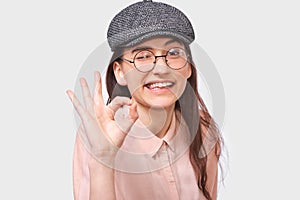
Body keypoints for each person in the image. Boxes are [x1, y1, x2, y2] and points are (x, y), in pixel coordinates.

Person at [67, 0, 223, 199]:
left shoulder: (202, 128)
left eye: (174, 53)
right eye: (142, 56)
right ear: (120, 72)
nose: (161, 68)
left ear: (188, 67)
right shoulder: (96, 135)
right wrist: (102, 160)